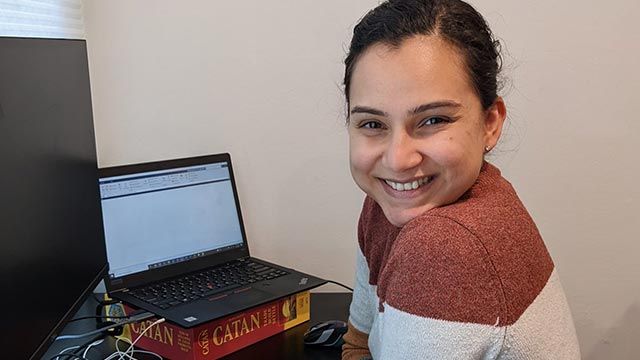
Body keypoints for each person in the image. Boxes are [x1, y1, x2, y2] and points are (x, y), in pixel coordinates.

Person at [340, 0, 580, 359]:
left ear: (490, 123)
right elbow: (358, 343)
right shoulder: (383, 206)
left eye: (433, 120)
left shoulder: (447, 247)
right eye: (372, 124)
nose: (397, 160)